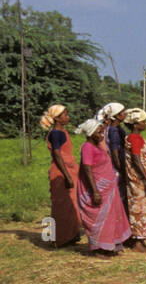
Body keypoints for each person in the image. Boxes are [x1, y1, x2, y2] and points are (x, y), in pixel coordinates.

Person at [75, 115, 131, 257]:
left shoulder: (98, 146)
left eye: (102, 132)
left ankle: (109, 245)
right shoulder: (87, 147)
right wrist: (95, 191)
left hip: (108, 189)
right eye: (99, 133)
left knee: (111, 217)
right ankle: (98, 248)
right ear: (90, 133)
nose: (101, 135)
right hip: (98, 189)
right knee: (99, 219)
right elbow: (87, 169)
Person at [40, 104, 81, 247]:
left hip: (67, 169)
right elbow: (57, 155)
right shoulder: (56, 133)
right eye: (64, 114)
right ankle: (60, 238)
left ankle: (70, 234)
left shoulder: (61, 131)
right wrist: (67, 176)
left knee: (71, 203)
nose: (67, 116)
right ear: (57, 118)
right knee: (62, 206)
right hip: (61, 172)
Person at [121, 109, 146, 251]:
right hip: (139, 181)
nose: (145, 124)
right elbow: (137, 159)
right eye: (143, 122)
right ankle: (138, 241)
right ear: (136, 124)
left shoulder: (131, 138)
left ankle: (140, 239)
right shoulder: (135, 138)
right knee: (141, 209)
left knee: (139, 208)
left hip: (136, 179)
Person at [98, 102, 129, 221]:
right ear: (116, 115)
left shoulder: (115, 128)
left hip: (116, 166)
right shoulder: (114, 131)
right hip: (117, 168)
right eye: (122, 112)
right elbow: (115, 152)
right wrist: (121, 169)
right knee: (120, 196)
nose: (125, 114)